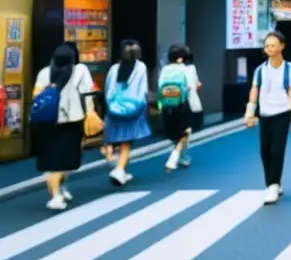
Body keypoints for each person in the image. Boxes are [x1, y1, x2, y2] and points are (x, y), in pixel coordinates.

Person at [32, 44, 97, 210]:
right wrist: (91, 113)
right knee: (67, 159)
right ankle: (56, 194)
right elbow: (88, 95)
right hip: (72, 120)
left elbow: (36, 96)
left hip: (47, 121)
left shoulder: (44, 72)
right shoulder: (80, 71)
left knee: (52, 159)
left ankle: (57, 191)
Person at [245, 30, 291, 204]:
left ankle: (272, 185)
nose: (269, 48)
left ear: (282, 47)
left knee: (277, 150)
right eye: (267, 45)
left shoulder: (290, 68)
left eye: (273, 45)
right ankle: (274, 182)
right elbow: (254, 91)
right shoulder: (260, 70)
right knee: (265, 151)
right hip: (265, 114)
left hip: (282, 114)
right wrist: (249, 112)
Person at [104, 40, 151, 187]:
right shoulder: (140, 67)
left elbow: (108, 91)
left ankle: (121, 168)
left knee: (115, 139)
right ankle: (118, 170)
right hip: (132, 110)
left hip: (114, 110)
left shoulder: (114, 69)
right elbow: (143, 91)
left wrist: (111, 106)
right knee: (127, 142)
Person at [158, 44, 194, 172]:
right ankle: (176, 156)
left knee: (173, 131)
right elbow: (190, 86)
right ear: (179, 58)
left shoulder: (164, 69)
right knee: (185, 130)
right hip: (181, 103)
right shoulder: (184, 69)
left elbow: (160, 86)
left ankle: (182, 156)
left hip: (166, 104)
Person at [182, 46, 203, 158]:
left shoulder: (168, 69)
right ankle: (182, 154)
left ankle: (177, 149)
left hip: (171, 104)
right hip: (189, 103)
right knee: (187, 129)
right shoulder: (191, 68)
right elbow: (197, 85)